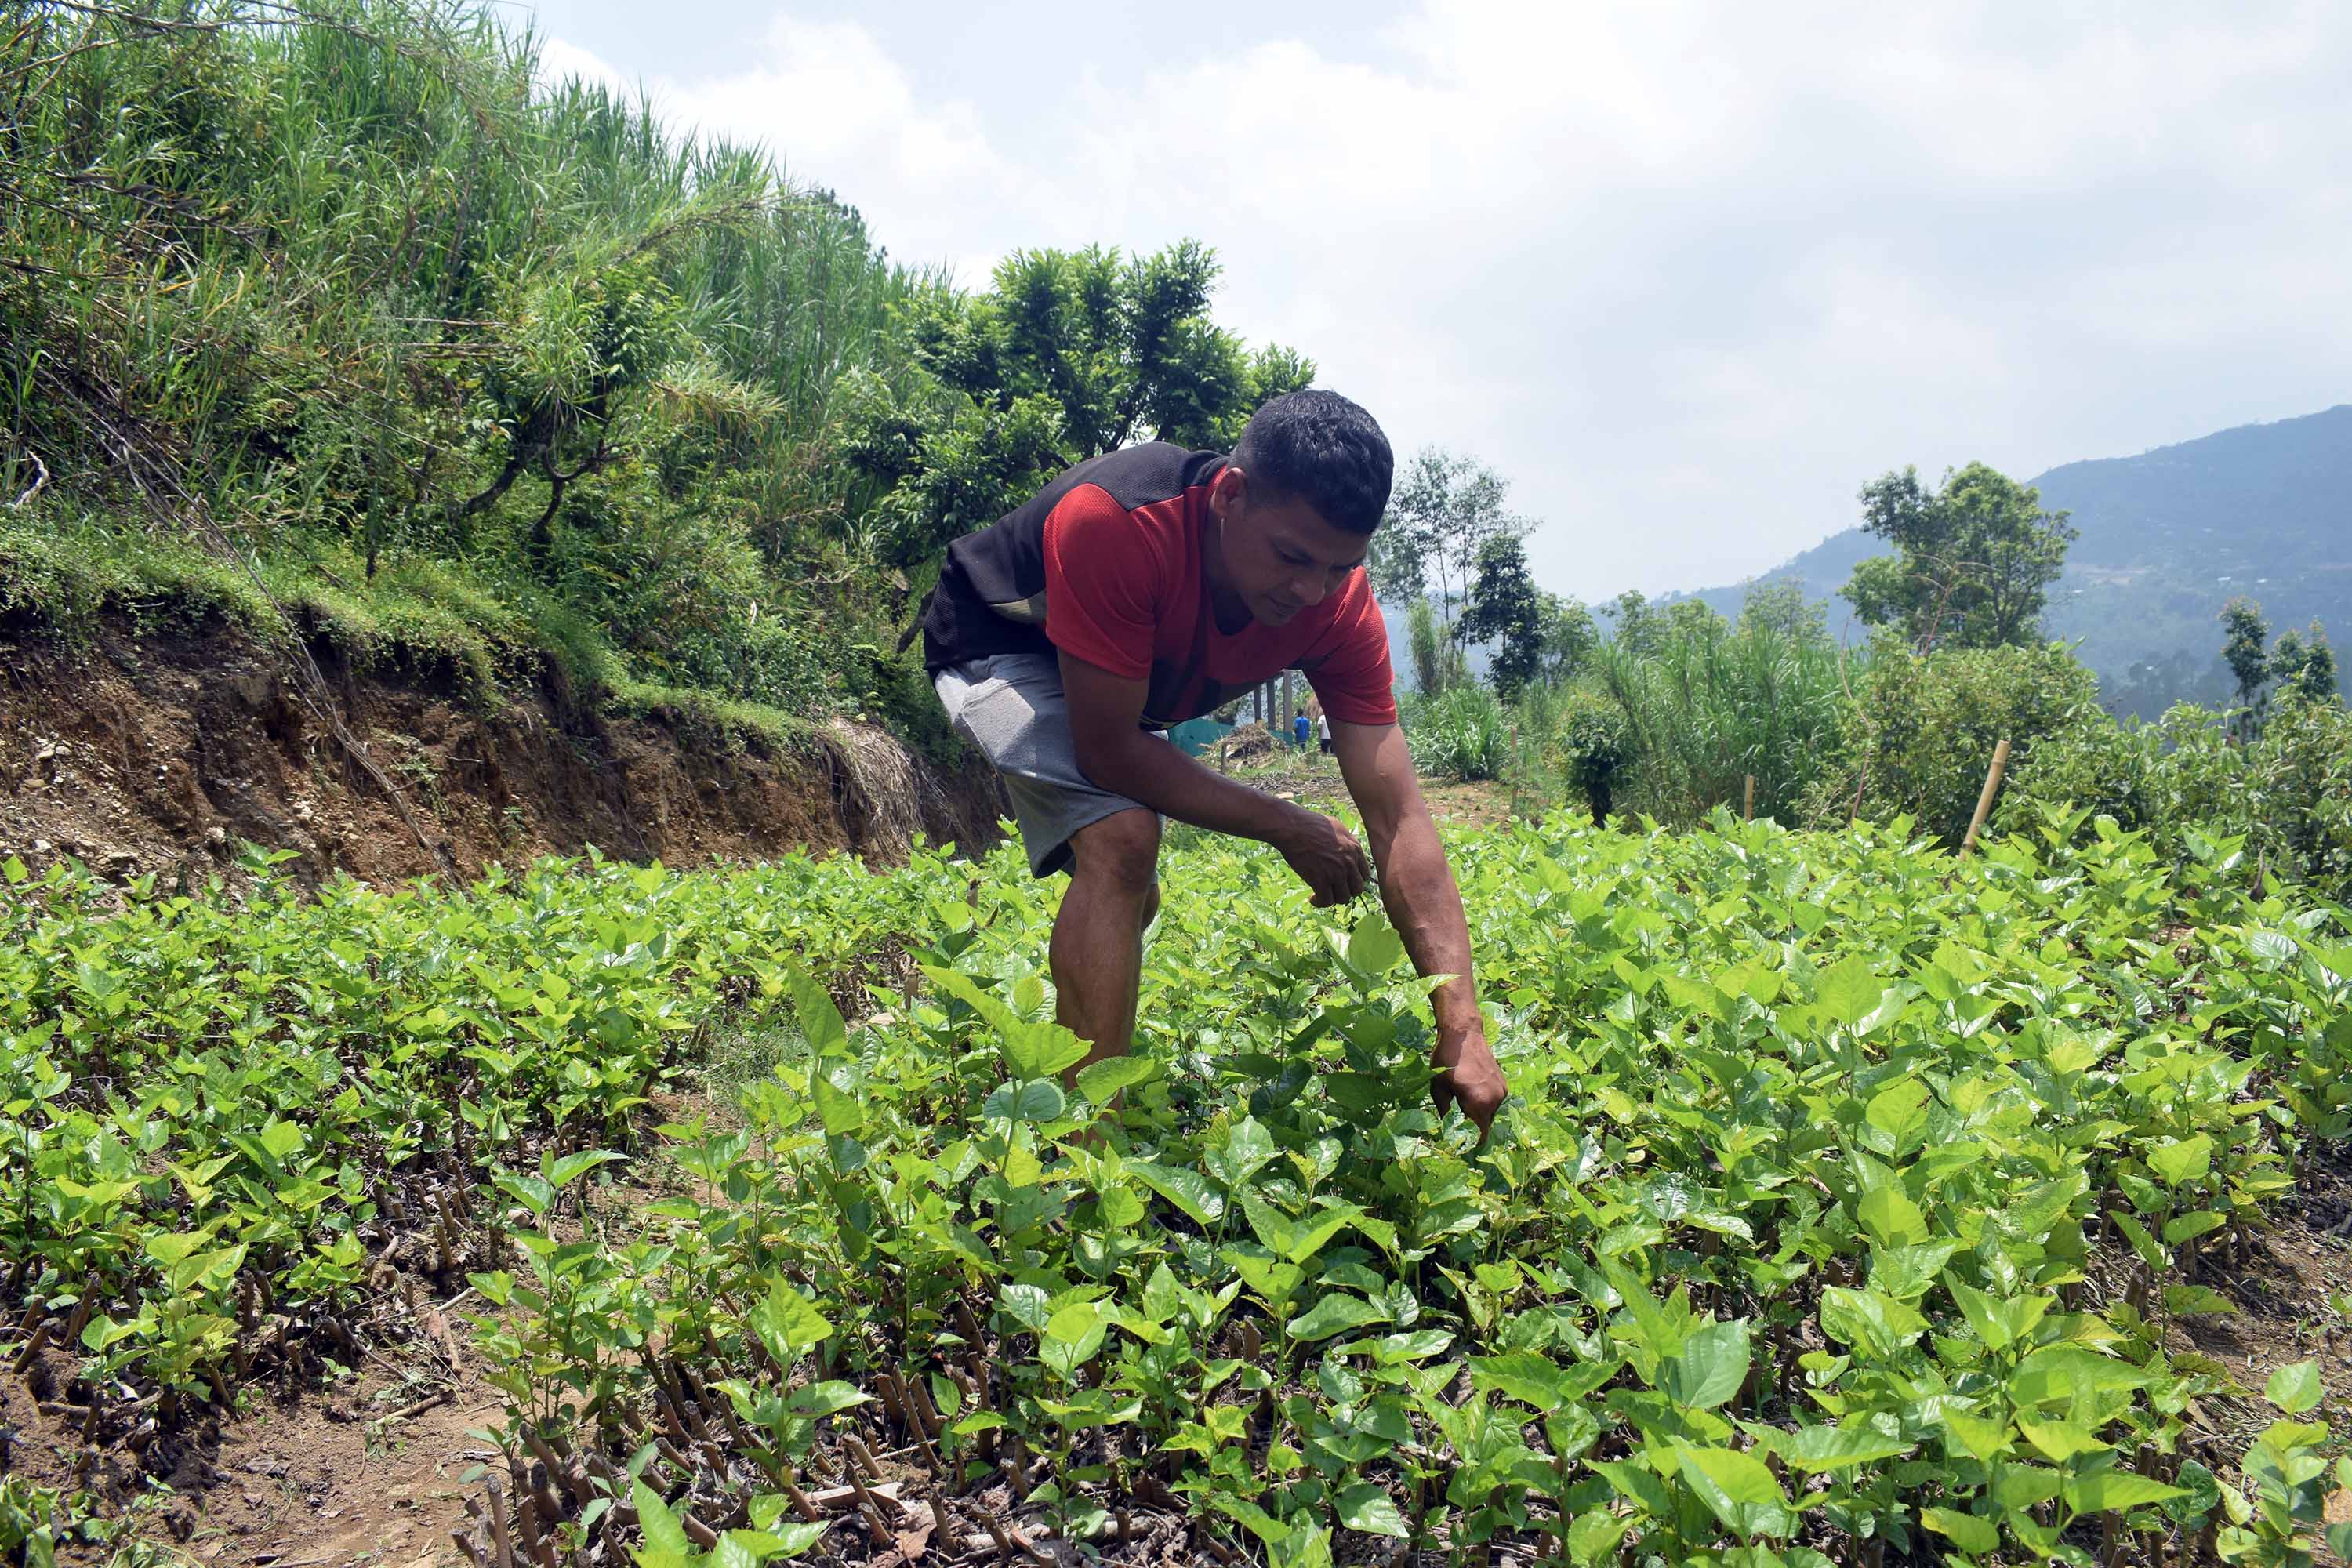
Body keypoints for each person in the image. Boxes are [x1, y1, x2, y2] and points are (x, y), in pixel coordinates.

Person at [923, 389, 1508, 1138]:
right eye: (1292, 557)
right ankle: (1082, 1154)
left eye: (1338, 566)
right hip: (995, 646)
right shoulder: (1119, 522)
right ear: (1230, 495)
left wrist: (1462, 1026)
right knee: (1121, 837)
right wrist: (1289, 825)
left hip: (1116, 680)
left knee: (1131, 886)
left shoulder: (1339, 607)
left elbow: (1398, 814)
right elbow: (1111, 750)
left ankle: (1066, 1055)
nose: (1309, 592)